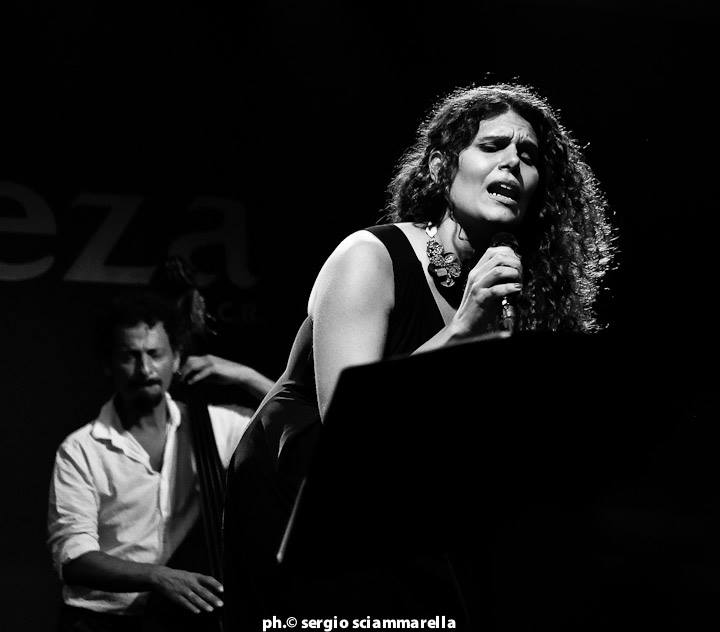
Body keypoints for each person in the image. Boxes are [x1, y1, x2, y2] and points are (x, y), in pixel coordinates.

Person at [222, 83, 617, 628]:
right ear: (439, 168)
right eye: (492, 146)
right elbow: (348, 424)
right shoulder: (370, 256)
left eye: (528, 156)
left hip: (400, 510)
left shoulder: (511, 293)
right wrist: (461, 330)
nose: (513, 161)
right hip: (302, 506)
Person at [47, 293, 259, 632]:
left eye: (155, 354)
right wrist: (157, 576)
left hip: (181, 622)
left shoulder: (219, 427)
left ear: (176, 359)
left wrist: (244, 376)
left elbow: (301, 422)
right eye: (129, 356)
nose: (145, 370)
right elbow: (74, 559)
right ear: (108, 364)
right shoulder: (80, 449)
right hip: (101, 623)